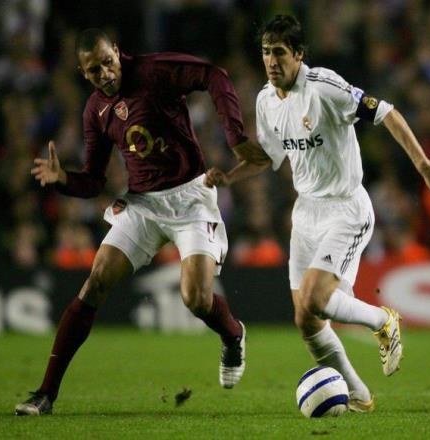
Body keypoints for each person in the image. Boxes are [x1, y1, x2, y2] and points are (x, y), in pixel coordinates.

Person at [205, 15, 430, 412]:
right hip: (305, 213)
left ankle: (383, 320)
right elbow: (268, 157)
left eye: (279, 52)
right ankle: (358, 394)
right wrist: (229, 177)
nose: (271, 61)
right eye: (266, 52)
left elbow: (386, 112)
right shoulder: (266, 100)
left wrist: (423, 164)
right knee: (306, 320)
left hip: (346, 209)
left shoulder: (324, 86)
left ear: (298, 54)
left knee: (316, 298)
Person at [15, 28, 262, 415]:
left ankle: (233, 335)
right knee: (96, 281)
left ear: (117, 51)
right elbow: (94, 180)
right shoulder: (95, 111)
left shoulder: (154, 71)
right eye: (94, 70)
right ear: (83, 73)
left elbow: (214, 76)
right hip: (143, 204)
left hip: (190, 197)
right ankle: (46, 394)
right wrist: (63, 179)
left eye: (107, 63)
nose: (104, 74)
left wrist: (234, 135)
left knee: (196, 299)